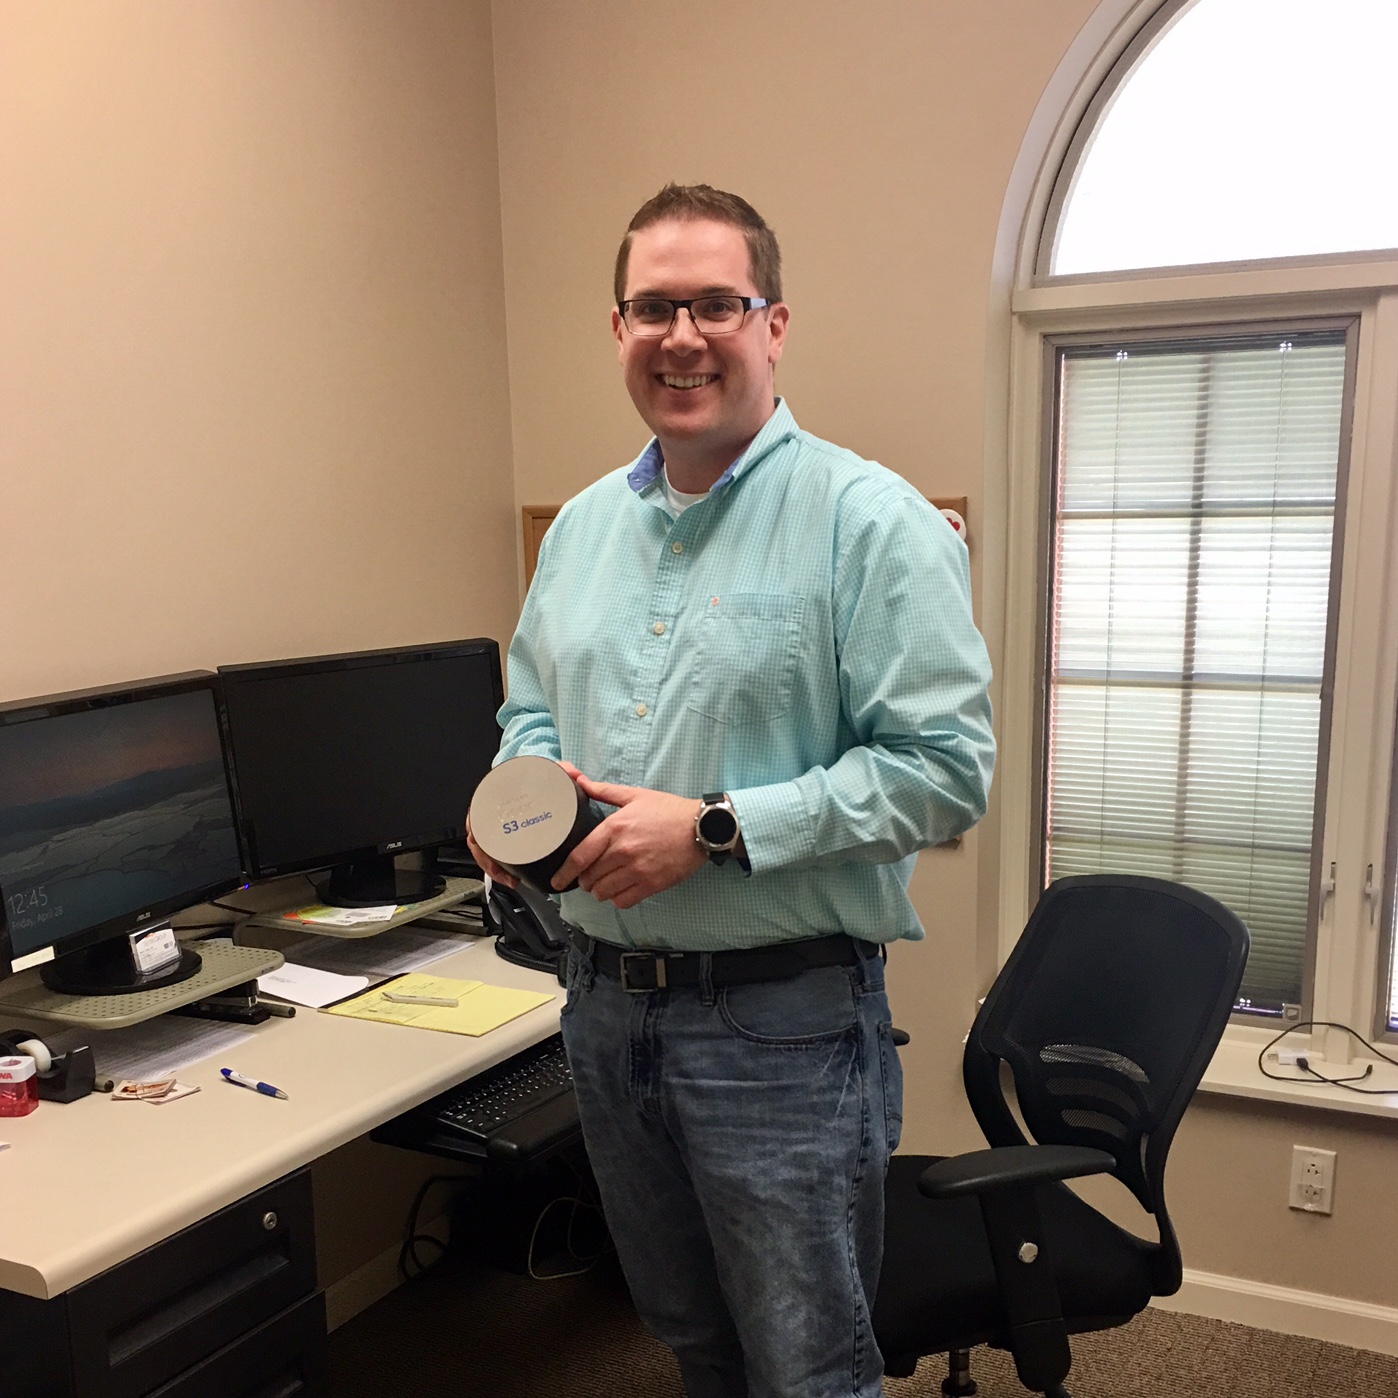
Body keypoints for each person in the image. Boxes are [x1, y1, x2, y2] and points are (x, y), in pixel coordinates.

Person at [468, 184, 995, 1398]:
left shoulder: (871, 523)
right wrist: (513, 795)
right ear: (619, 329)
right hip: (601, 1011)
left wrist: (715, 829)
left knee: (810, 1369)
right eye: (654, 307)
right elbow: (532, 708)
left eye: (717, 303)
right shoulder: (579, 532)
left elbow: (945, 774)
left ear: (774, 325)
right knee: (692, 1341)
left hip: (782, 1029)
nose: (683, 336)